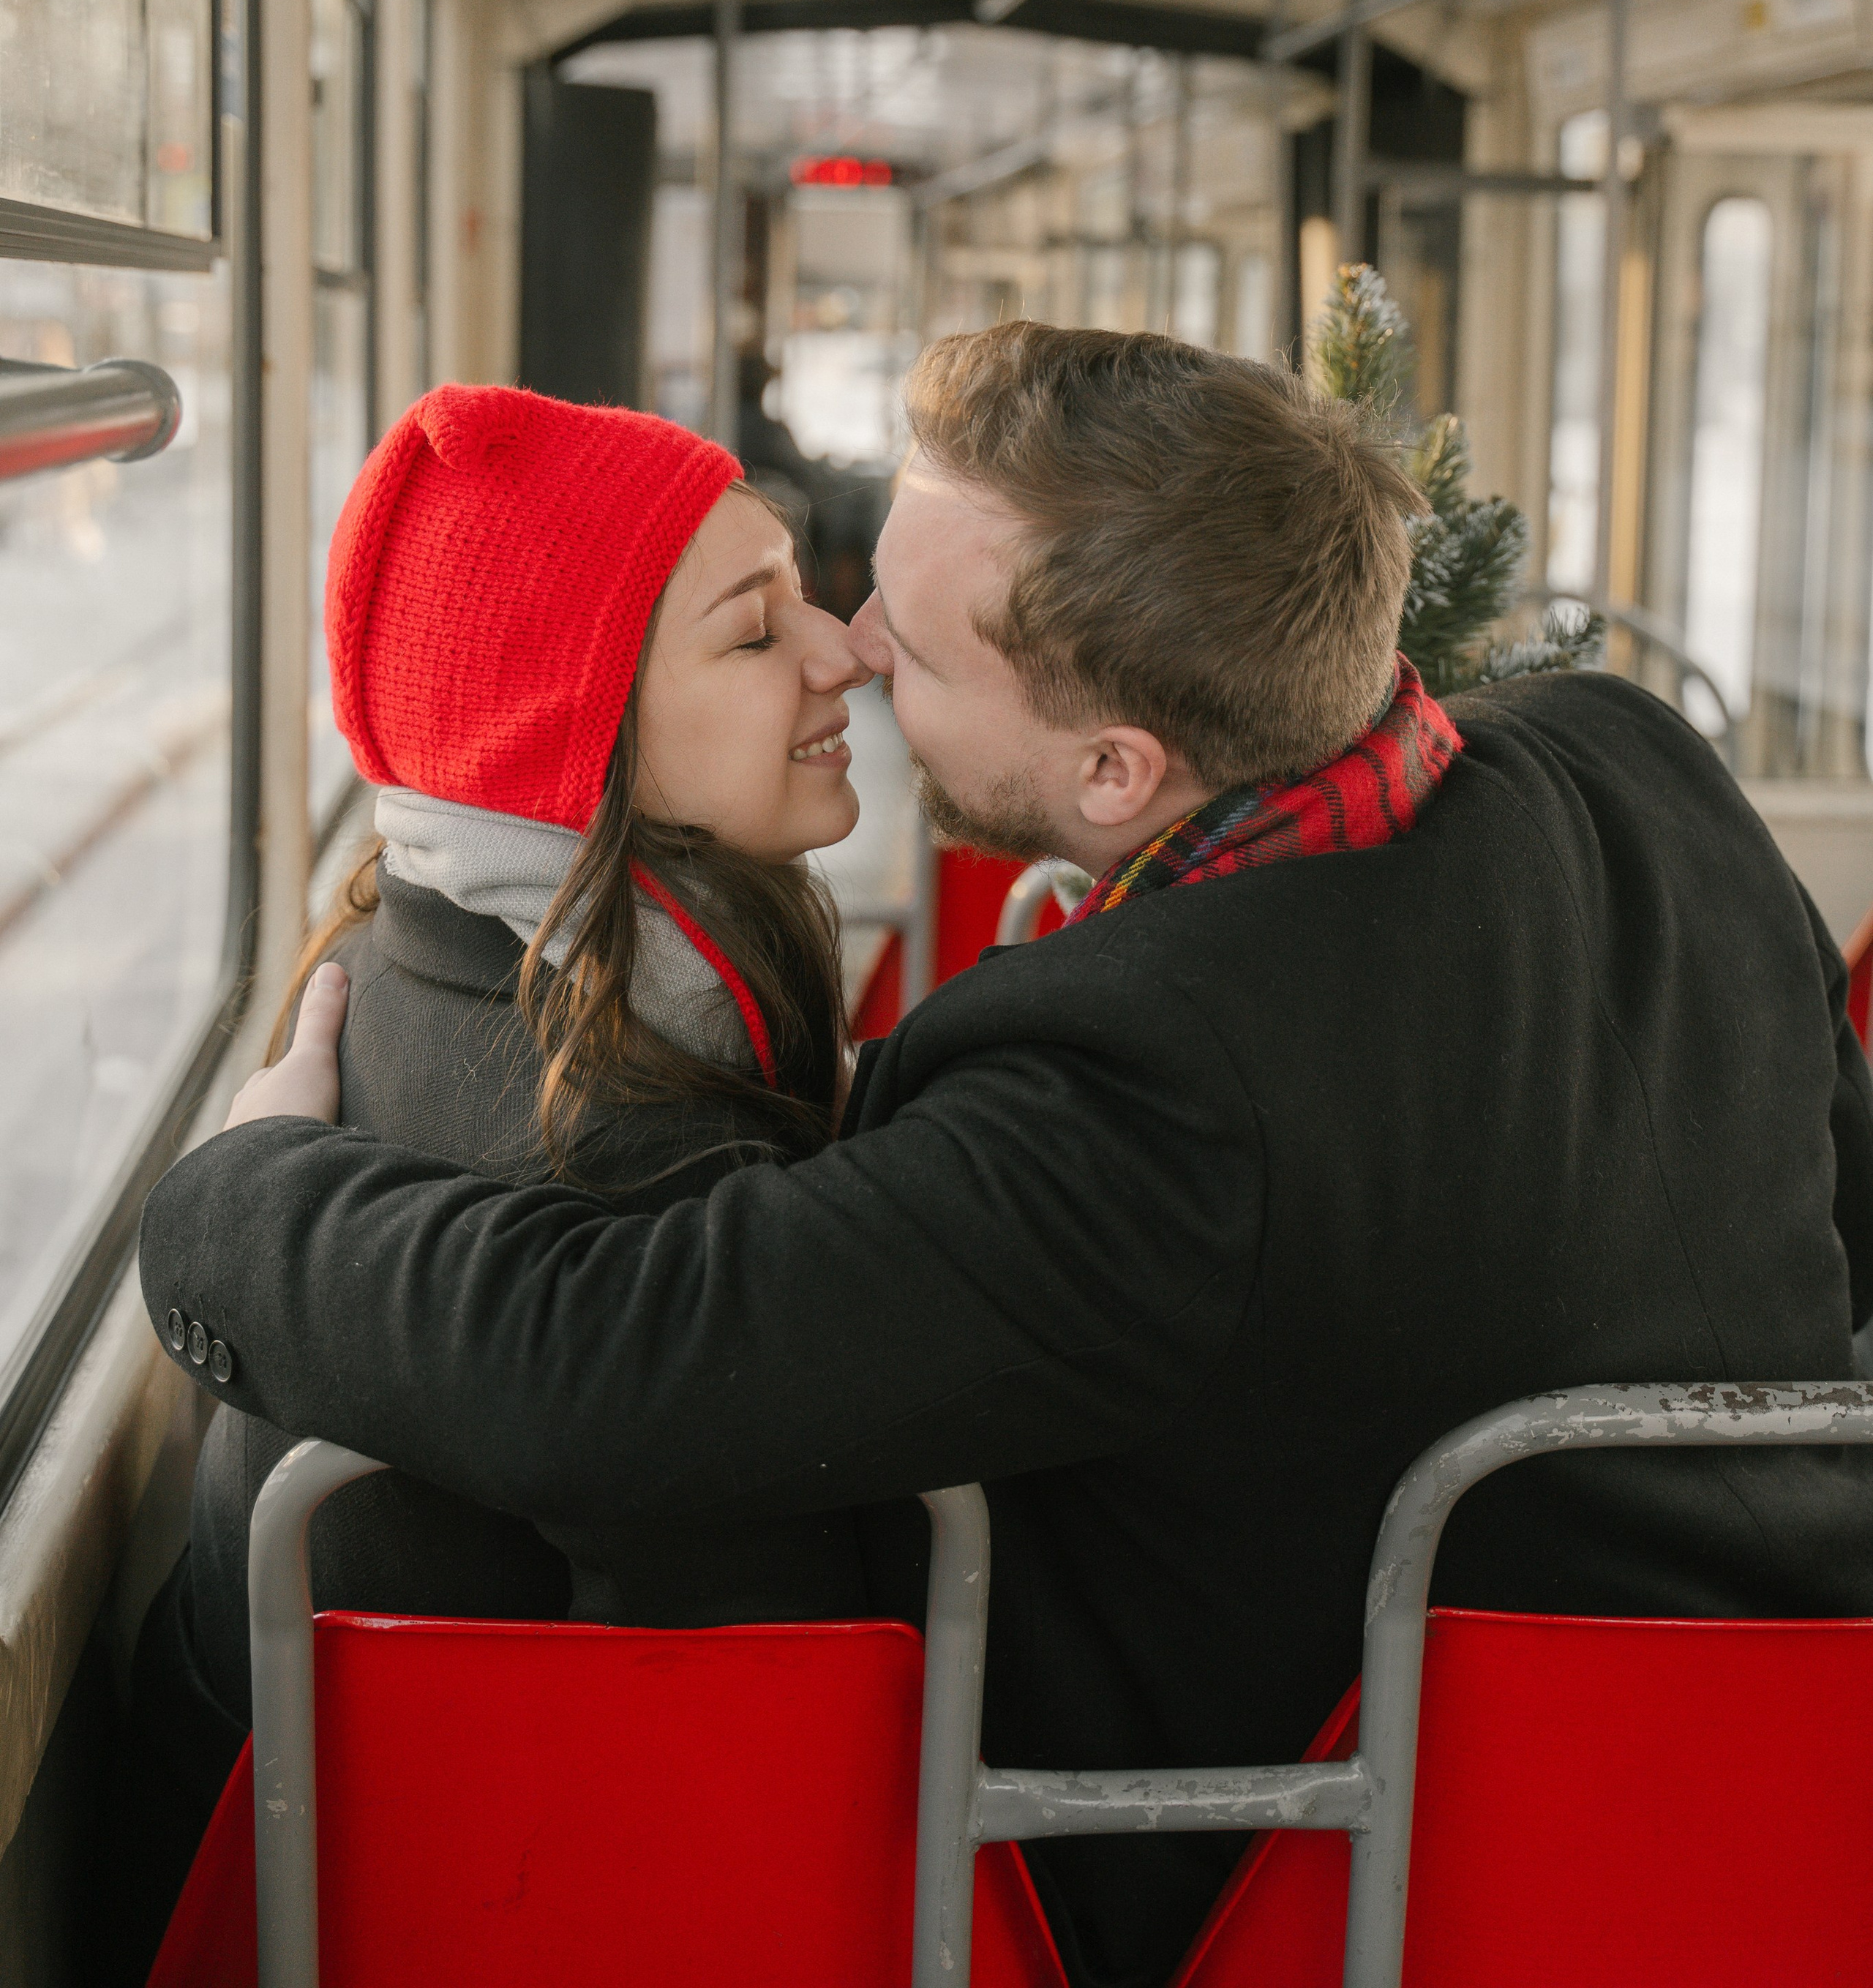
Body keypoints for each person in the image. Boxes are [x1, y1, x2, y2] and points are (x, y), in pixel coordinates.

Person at [142, 323, 1873, 1988]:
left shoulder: (1143, 1088)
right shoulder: (1624, 755)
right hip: (1803, 1787)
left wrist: (240, 1195)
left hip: (1383, 1865)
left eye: (916, 630)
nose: (860, 641)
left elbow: (616, 1357)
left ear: (1115, 767)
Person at [119, 381, 873, 1976]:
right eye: (756, 636)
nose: (844, 654)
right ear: (572, 746)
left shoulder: (401, 962)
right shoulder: (640, 1147)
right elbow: (769, 1691)